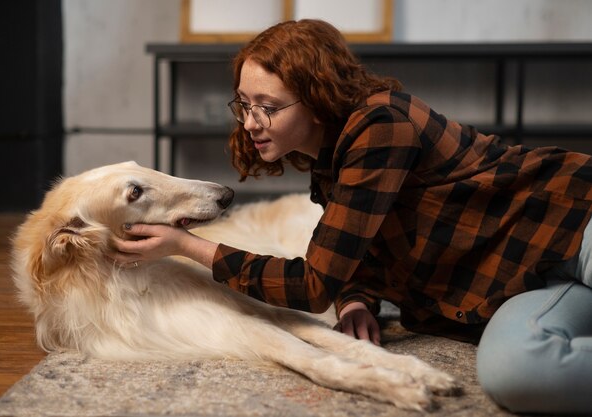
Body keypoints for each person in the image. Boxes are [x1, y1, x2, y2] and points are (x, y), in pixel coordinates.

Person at [112, 19, 592, 414]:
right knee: (518, 374)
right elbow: (354, 252)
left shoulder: (380, 126)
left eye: (269, 107)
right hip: (527, 278)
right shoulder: (333, 163)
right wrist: (357, 301)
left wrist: (185, 246)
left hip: (574, 221)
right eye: (245, 104)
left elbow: (312, 283)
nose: (251, 121)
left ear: (317, 98)